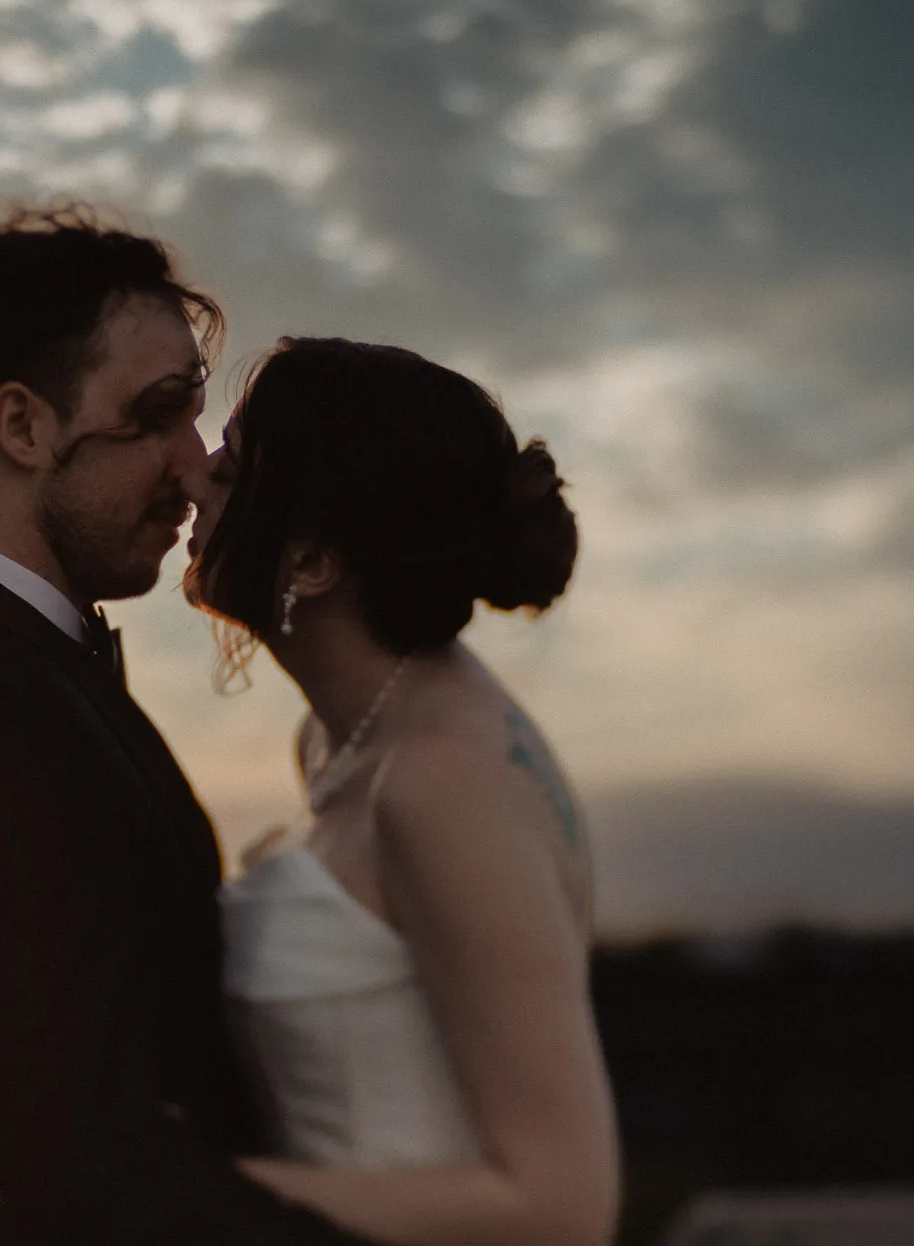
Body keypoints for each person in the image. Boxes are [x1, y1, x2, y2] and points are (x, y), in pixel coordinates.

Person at [0, 208, 367, 1246]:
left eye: (194, 415)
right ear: (22, 427)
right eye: (155, 415)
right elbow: (79, 1178)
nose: (194, 464)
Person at [182, 337, 623, 1246]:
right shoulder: (341, 737)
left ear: (310, 563)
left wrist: (183, 1193)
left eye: (231, 464)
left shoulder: (443, 782)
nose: (195, 476)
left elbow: (562, 1205)